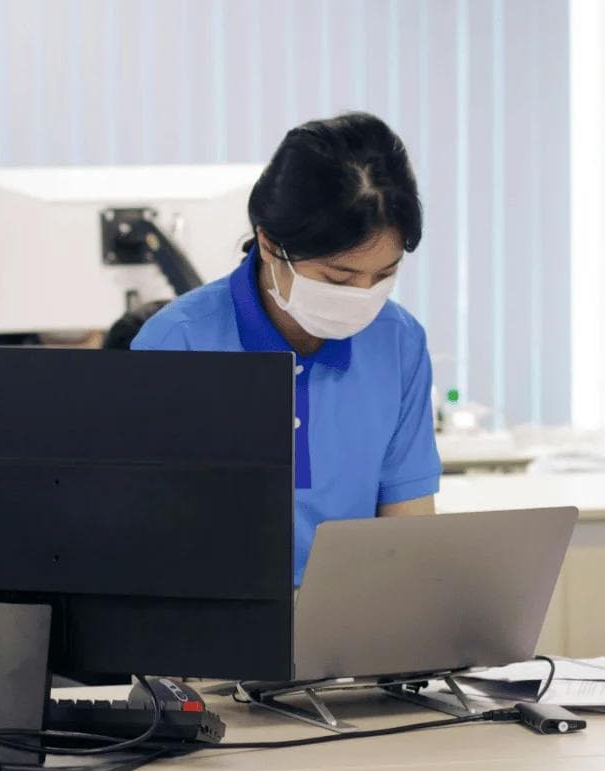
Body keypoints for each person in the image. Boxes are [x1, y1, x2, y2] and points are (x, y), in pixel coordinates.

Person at [131, 112, 440, 585]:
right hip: (212, 636)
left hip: (354, 633)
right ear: (270, 244)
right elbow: (146, 542)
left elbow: (411, 536)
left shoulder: (398, 343)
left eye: (384, 275)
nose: (363, 295)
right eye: (339, 277)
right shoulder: (178, 343)